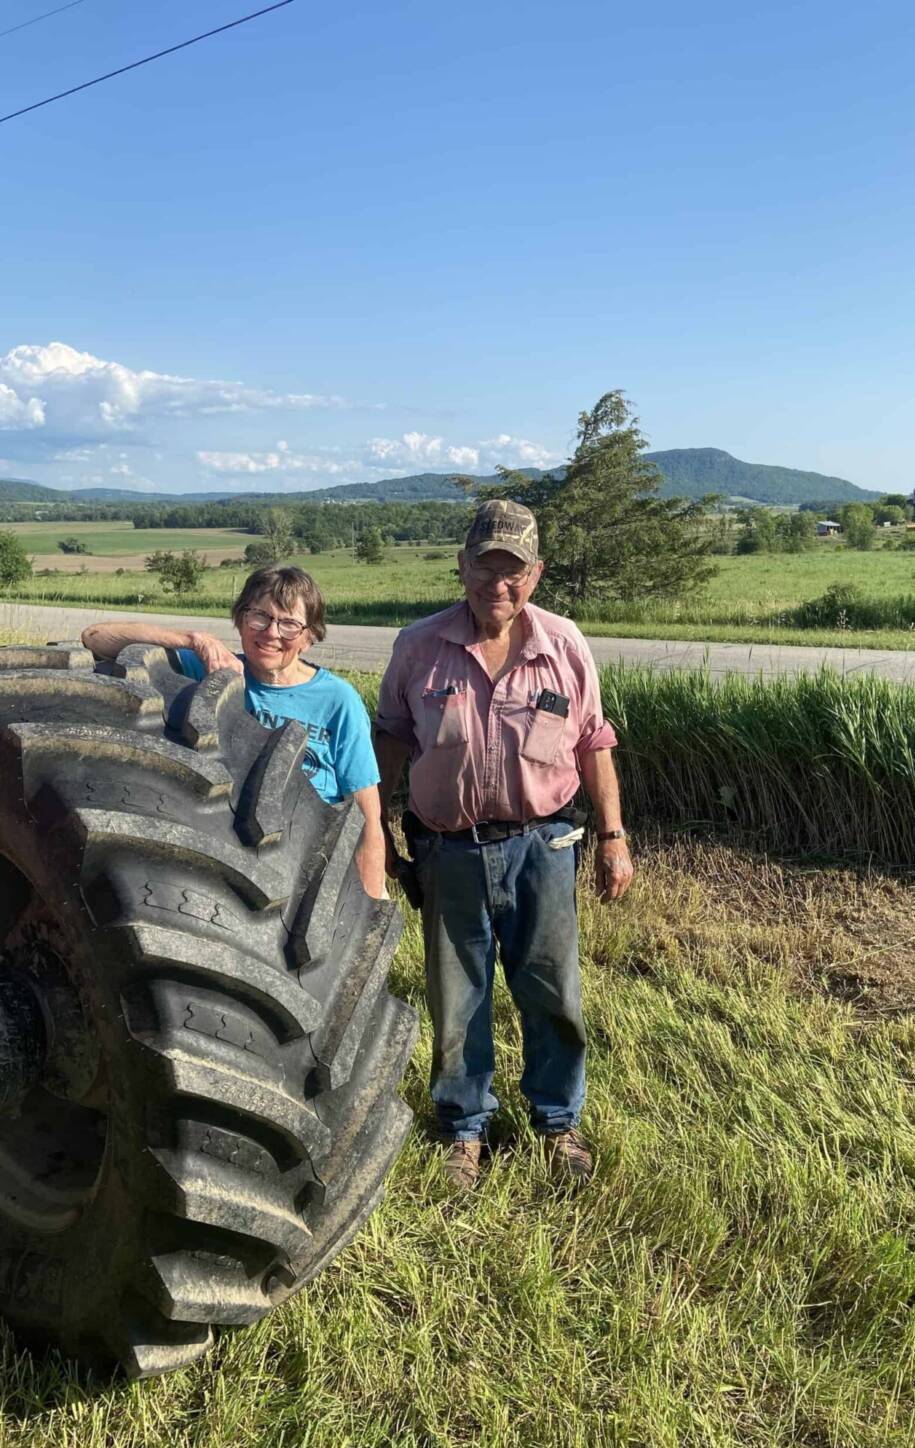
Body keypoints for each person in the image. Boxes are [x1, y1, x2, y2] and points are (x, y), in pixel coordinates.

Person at [374, 499, 634, 1190]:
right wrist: (375, 828)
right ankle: (464, 1130)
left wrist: (612, 836)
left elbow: (593, 743)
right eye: (484, 567)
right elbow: (392, 737)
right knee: (458, 998)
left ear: (535, 574)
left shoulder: (564, 644)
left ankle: (556, 1121)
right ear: (461, 568)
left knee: (551, 993)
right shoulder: (418, 646)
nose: (498, 585)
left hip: (541, 847)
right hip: (446, 850)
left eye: (512, 571)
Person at [80, 564, 385, 898]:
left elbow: (366, 817)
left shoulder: (337, 700)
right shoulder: (212, 673)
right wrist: (191, 639)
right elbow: (96, 638)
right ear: (240, 620)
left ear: (309, 637)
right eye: (259, 617)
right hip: (227, 851)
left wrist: (370, 897)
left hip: (307, 859)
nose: (271, 633)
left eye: (289, 625)